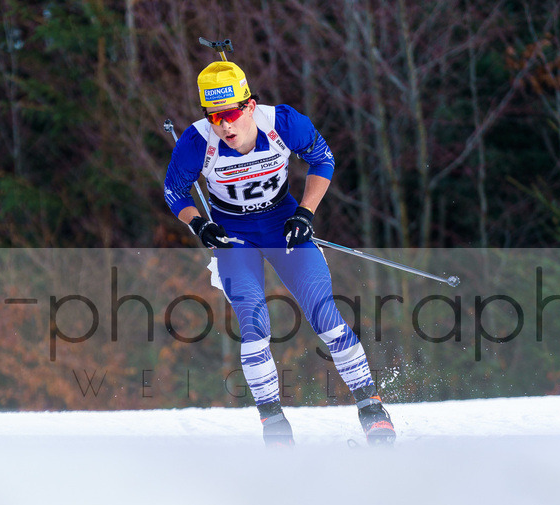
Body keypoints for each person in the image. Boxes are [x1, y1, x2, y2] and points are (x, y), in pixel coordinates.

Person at [164, 59, 396, 446]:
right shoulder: (195, 142)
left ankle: (371, 407)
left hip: (282, 221)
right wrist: (199, 224)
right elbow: (174, 191)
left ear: (250, 106)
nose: (225, 125)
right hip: (233, 232)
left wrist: (305, 213)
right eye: (215, 116)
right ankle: (273, 423)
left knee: (323, 311)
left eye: (233, 113)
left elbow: (323, 159)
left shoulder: (283, 123)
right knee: (254, 321)